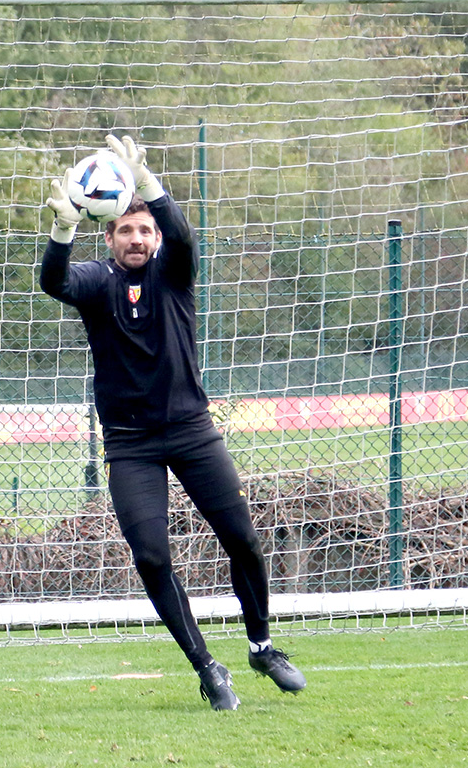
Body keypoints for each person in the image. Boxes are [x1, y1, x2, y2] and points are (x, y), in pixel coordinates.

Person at [39, 134, 304, 711]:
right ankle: (207, 666)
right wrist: (62, 233)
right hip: (130, 444)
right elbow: (53, 283)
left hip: (192, 431)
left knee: (244, 541)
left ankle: (262, 645)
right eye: (125, 230)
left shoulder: (175, 273)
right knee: (152, 555)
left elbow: (182, 235)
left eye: (145, 230)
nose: (137, 238)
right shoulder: (95, 282)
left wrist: (154, 189)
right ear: (108, 237)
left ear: (154, 239)